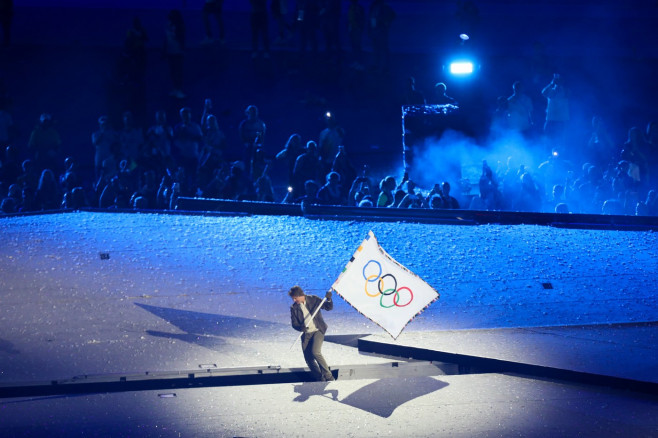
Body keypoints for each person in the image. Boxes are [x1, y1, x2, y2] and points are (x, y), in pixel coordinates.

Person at [288, 285, 335, 382]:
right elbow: (294, 324)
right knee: (308, 358)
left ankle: (329, 376)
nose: (294, 300)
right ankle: (319, 378)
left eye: (295, 298)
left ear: (300, 295)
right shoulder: (294, 308)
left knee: (315, 352)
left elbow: (328, 307)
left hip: (318, 330)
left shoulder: (314, 299)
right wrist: (300, 328)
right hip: (306, 334)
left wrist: (329, 299)